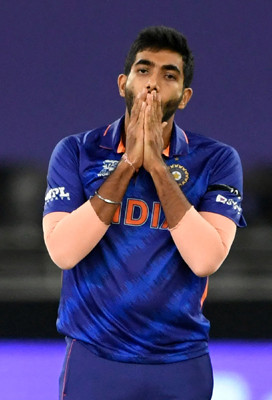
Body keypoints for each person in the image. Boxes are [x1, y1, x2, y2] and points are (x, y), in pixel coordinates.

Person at [42, 26, 246, 399]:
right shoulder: (77, 152)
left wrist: (157, 168)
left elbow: (205, 259)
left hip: (180, 361)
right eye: (143, 70)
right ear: (123, 83)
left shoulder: (216, 160)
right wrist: (127, 165)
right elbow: (63, 251)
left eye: (169, 75)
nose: (153, 83)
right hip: (94, 355)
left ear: (184, 97)